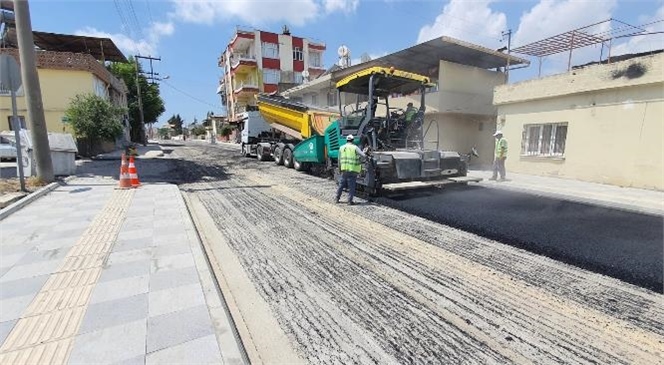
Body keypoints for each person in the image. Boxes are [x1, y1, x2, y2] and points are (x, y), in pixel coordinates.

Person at [336, 134, 367, 205]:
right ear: (352, 140)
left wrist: (340, 169)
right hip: (353, 170)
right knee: (351, 186)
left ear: (346, 140)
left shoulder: (341, 148)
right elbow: (363, 155)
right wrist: (364, 152)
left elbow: (339, 160)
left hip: (344, 170)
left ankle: (337, 198)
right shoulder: (355, 148)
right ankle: (349, 201)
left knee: (341, 185)